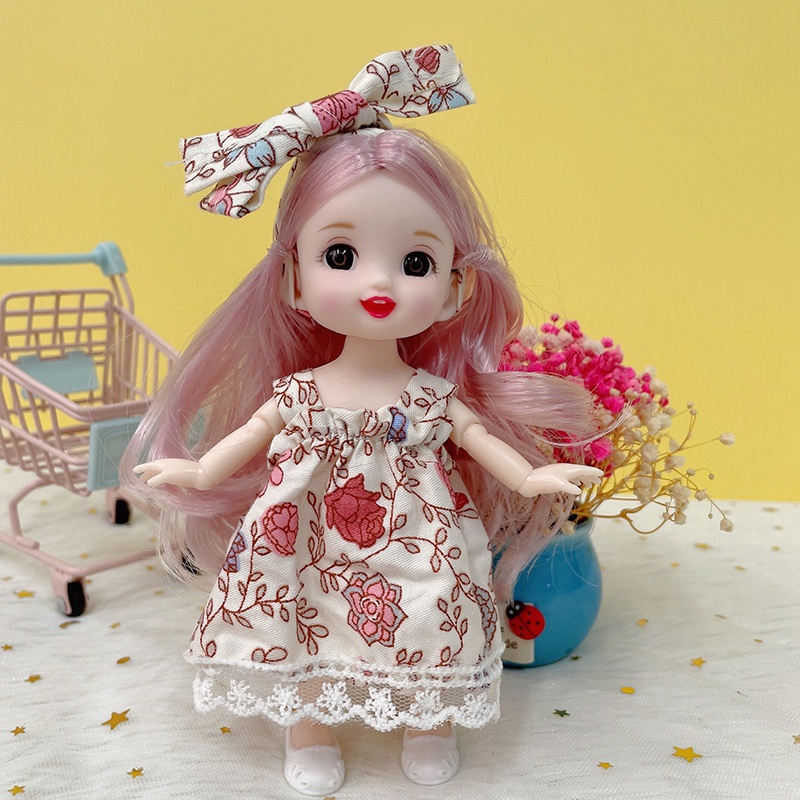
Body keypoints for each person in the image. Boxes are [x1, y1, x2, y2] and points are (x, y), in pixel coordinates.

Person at [125, 46, 600, 796]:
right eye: (341, 254)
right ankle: (308, 727)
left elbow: (478, 438)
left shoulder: (429, 396)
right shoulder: (300, 393)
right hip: (304, 538)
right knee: (302, 613)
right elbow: (248, 437)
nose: (378, 282)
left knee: (431, 609)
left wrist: (533, 476)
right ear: (293, 279)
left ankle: (429, 720)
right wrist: (198, 470)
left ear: (453, 290)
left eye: (415, 263)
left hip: (418, 541)